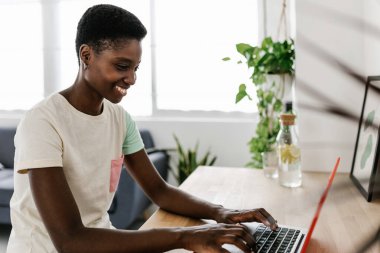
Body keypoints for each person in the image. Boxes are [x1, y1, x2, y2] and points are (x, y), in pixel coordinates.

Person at [7, 4, 277, 253]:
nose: (132, 78)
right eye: (122, 66)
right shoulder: (43, 122)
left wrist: (221, 212)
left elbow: (160, 192)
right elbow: (70, 241)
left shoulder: (120, 119)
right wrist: (186, 236)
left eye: (136, 68)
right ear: (86, 55)